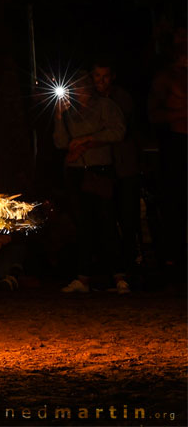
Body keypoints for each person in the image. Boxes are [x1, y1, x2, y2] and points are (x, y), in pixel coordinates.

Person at [53, 70, 127, 293]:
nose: (76, 91)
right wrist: (58, 117)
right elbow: (60, 142)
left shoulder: (105, 106)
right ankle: (83, 278)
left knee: (107, 223)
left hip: (100, 171)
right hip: (77, 173)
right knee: (83, 225)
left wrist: (87, 141)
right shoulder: (69, 112)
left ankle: (120, 276)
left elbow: (118, 131)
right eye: (72, 87)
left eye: (79, 87)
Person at [90, 56, 143, 280]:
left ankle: (131, 269)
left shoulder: (121, 98)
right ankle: (110, 270)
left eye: (105, 76)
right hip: (101, 168)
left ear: (112, 77)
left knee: (128, 218)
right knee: (104, 220)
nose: (101, 81)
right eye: (97, 76)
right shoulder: (89, 99)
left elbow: (120, 130)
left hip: (123, 167)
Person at [147, 28, 187, 288]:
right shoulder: (165, 78)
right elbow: (152, 115)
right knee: (178, 205)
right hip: (178, 145)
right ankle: (177, 264)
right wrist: (180, 114)